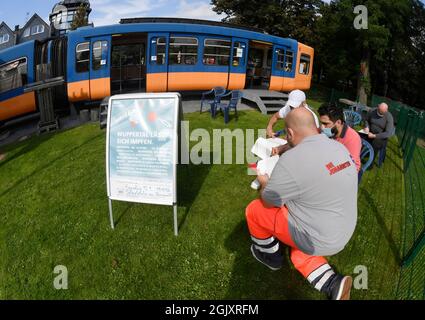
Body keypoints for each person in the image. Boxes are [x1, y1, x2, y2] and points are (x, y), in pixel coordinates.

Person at [246, 108, 358, 300]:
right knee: (299, 253)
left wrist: (264, 182)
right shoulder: (339, 147)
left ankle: (270, 256)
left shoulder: (292, 159)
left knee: (255, 210)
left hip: (317, 235)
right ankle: (333, 284)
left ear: (289, 133)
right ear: (315, 127)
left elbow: (269, 200)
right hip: (343, 229)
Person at [318, 103, 362, 172]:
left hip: (348, 171)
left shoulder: (353, 138)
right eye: (321, 123)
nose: (322, 127)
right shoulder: (325, 131)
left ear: (338, 122)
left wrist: (327, 170)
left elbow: (349, 165)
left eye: (326, 123)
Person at [363, 103, 395, 167]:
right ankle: (358, 154)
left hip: (380, 137)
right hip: (369, 132)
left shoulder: (389, 117)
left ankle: (370, 164)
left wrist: (375, 136)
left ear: (386, 110)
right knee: (359, 136)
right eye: (380, 112)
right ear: (378, 107)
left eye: (383, 112)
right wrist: (367, 127)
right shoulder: (372, 111)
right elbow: (366, 120)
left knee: (376, 143)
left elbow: (388, 133)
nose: (381, 114)